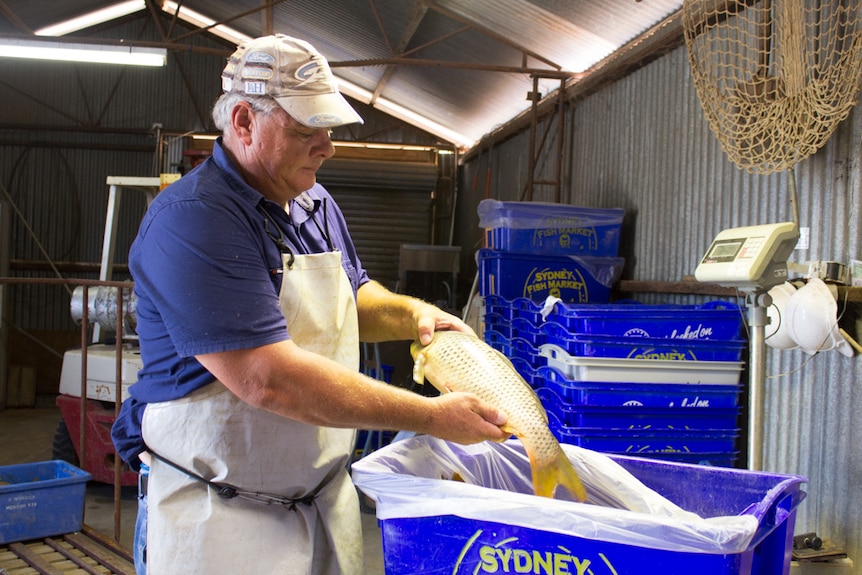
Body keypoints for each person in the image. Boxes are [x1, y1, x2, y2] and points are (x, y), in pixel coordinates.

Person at [110, 34, 508, 575]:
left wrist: (411, 314)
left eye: (327, 128)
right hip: (218, 514)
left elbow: (354, 295)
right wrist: (431, 417)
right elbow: (266, 378)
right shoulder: (197, 219)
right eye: (305, 130)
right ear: (244, 122)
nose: (327, 145)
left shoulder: (312, 201)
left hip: (316, 499)